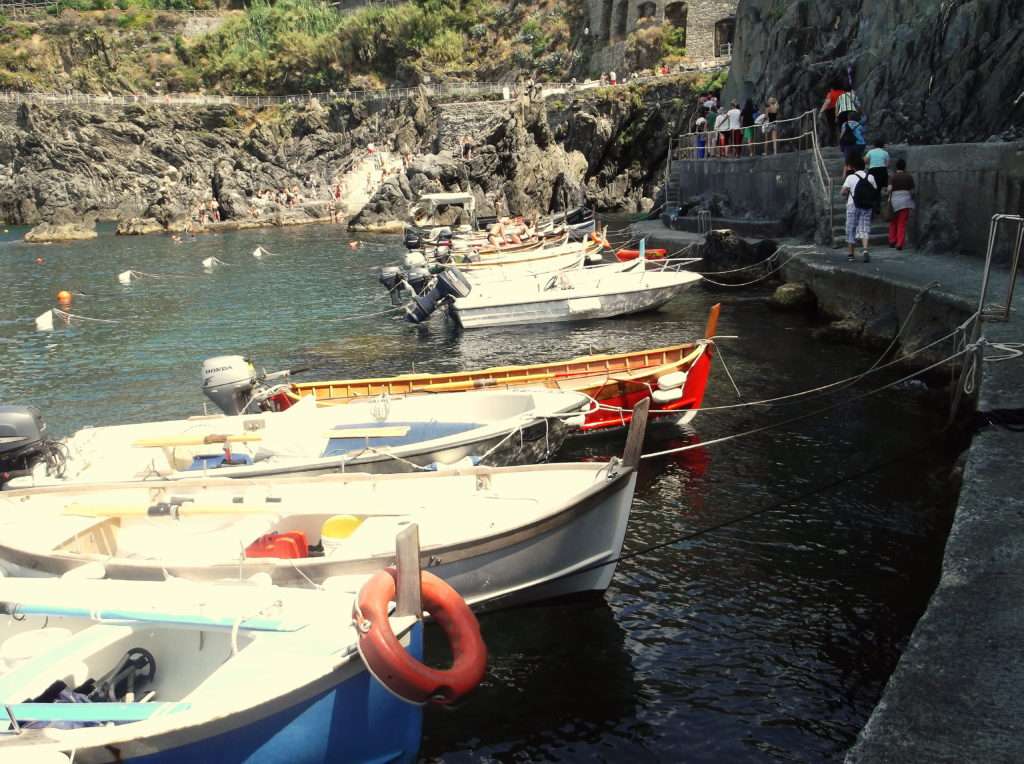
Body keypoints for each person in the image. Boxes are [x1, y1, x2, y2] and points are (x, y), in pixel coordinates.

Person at [841, 154, 878, 263]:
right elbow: (874, 190)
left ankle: (851, 255)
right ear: (864, 166)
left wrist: (847, 192)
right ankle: (865, 250)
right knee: (864, 226)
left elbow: (843, 192)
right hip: (867, 205)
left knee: (851, 228)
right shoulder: (870, 177)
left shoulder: (850, 177)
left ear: (854, 167)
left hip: (853, 205)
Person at [888, 158, 915, 250]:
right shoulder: (909, 176)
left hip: (894, 201)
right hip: (905, 201)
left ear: (896, 167)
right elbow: (912, 190)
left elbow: (889, 189)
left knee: (893, 222)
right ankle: (899, 243)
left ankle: (892, 240)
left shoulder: (893, 177)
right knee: (902, 223)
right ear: (905, 167)